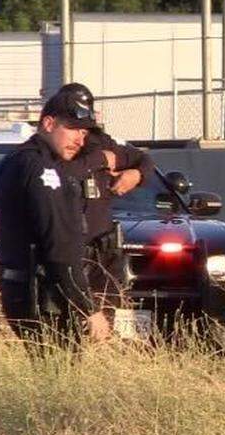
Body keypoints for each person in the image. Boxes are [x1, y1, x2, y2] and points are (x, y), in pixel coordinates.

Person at [50, 83, 154, 339]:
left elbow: (143, 159)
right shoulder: (49, 149)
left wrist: (135, 175)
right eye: (73, 126)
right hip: (67, 252)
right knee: (65, 326)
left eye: (84, 127)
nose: (80, 135)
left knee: (111, 324)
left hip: (103, 252)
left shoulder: (102, 143)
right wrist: (99, 160)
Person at [0, 94, 98, 346]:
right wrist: (86, 307)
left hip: (33, 290)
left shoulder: (32, 160)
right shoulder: (38, 166)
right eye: (72, 129)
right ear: (49, 124)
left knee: (51, 371)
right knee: (59, 373)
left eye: (83, 133)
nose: (79, 140)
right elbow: (59, 244)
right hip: (42, 294)